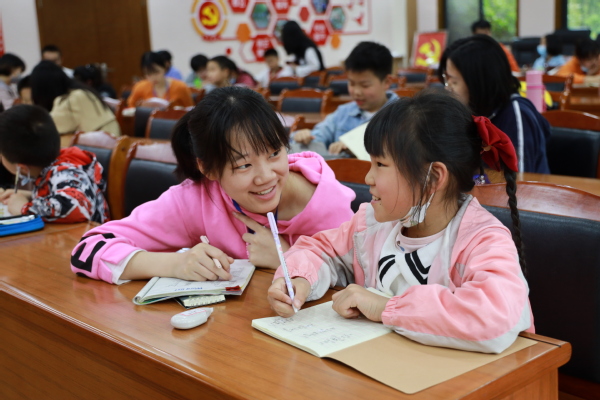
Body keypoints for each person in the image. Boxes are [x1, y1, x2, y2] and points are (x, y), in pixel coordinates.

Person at [267, 91, 533, 354]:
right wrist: (300, 279)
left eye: (380, 164)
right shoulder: (371, 225)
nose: (368, 178)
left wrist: (385, 308)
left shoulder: (482, 241)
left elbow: (495, 317)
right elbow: (321, 250)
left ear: (433, 177)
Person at [70, 87, 355, 284]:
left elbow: (361, 282)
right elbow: (87, 249)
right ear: (207, 169)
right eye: (243, 165)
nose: (266, 176)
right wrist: (175, 264)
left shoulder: (326, 203)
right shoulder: (198, 198)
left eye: (274, 153)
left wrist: (286, 257)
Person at [438, 34, 551, 173]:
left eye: (454, 82)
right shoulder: (469, 113)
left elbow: (519, 179)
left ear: (478, 83)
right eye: (447, 80)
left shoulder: (516, 114)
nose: (447, 88)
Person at [0, 105, 109, 223]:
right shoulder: (53, 164)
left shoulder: (65, 173)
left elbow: (75, 205)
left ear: (22, 168)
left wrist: (24, 208)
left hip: (90, 233)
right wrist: (30, 196)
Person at [293, 42, 398, 155]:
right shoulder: (343, 113)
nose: (356, 92)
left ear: (387, 82)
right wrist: (305, 136)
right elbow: (319, 135)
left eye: (365, 85)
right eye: (351, 83)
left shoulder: (403, 116)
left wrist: (357, 149)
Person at [30, 61, 121, 136]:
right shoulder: (82, 91)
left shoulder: (72, 99)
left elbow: (45, 128)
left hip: (103, 149)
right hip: (110, 145)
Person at [127, 51, 194, 108]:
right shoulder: (140, 87)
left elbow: (190, 109)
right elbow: (130, 107)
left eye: (156, 72)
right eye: (148, 74)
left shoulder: (180, 87)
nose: (153, 78)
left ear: (164, 68)